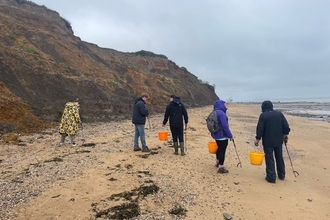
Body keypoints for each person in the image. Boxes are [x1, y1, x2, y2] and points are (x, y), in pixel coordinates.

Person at [254, 100, 291, 183]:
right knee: (279, 157)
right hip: (278, 140)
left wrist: (258, 138)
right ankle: (281, 174)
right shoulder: (279, 114)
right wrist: (285, 135)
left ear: (263, 107)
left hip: (268, 141)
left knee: (269, 158)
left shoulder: (263, 115)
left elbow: (260, 128)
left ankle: (271, 177)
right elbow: (286, 126)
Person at [210, 99, 233, 173]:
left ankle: (217, 162)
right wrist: (230, 135)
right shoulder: (221, 114)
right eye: (224, 104)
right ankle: (221, 167)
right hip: (222, 135)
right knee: (222, 150)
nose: (225, 106)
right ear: (221, 105)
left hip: (216, 135)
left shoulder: (214, 112)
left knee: (219, 148)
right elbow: (225, 126)